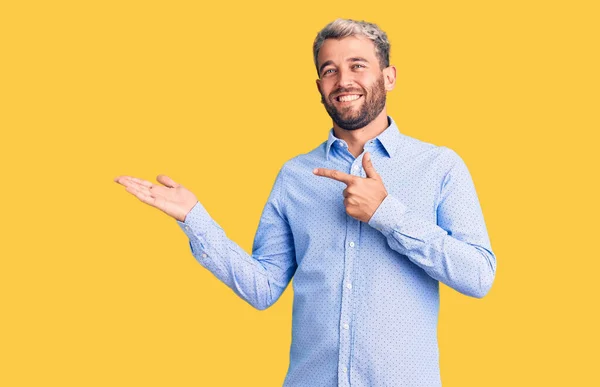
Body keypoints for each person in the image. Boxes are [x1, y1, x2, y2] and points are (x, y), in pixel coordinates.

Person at [114, 18, 496, 387]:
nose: (343, 80)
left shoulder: (439, 166)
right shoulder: (295, 176)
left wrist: (387, 215)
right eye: (330, 70)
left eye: (357, 66)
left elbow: (478, 275)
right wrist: (194, 218)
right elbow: (263, 288)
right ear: (319, 85)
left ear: (389, 77)